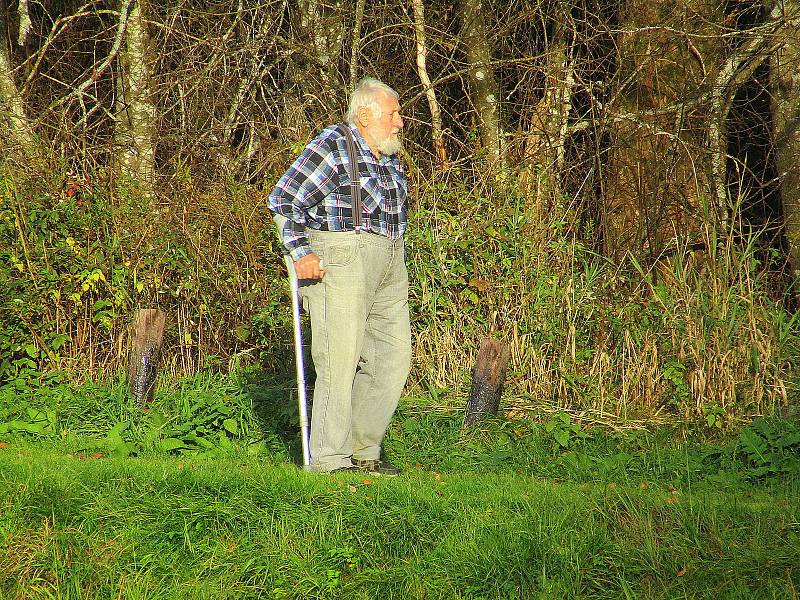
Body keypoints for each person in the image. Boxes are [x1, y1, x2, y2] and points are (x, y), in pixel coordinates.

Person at [268, 77, 411, 475]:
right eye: (393, 113)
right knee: (339, 361)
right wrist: (300, 253)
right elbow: (284, 198)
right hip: (342, 256)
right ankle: (330, 460)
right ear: (364, 115)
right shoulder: (334, 144)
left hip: (390, 258)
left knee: (392, 358)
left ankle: (364, 452)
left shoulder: (387, 155)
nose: (400, 122)